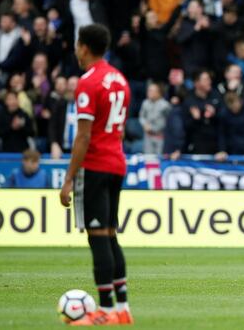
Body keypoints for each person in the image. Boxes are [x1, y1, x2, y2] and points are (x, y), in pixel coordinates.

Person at [58, 24, 133, 325]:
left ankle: (103, 311)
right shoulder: (120, 80)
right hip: (117, 162)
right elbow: (122, 128)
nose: (76, 50)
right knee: (110, 235)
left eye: (77, 45)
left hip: (96, 166)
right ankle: (123, 309)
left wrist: (67, 179)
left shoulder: (89, 82)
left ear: (84, 47)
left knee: (98, 237)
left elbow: (83, 136)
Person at [139, 82, 170, 155]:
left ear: (159, 93)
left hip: (160, 136)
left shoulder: (165, 106)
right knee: (149, 157)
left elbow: (168, 122)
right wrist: (144, 124)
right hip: (148, 135)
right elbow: (141, 116)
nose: (149, 93)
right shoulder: (145, 103)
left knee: (159, 158)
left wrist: (153, 128)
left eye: (152, 91)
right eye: (148, 90)